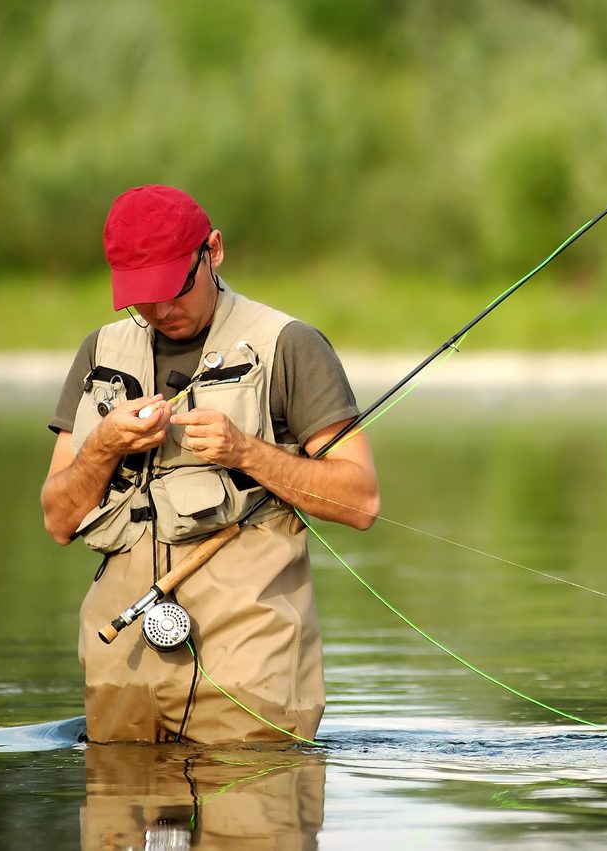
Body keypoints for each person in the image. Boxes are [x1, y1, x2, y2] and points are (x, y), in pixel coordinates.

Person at [41, 184, 379, 744]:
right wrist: (102, 444)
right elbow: (57, 521)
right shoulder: (98, 353)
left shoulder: (290, 345)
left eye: (175, 288)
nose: (162, 311)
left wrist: (245, 451)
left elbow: (361, 501)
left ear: (213, 251)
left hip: (252, 670)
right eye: (142, 297)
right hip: (119, 663)